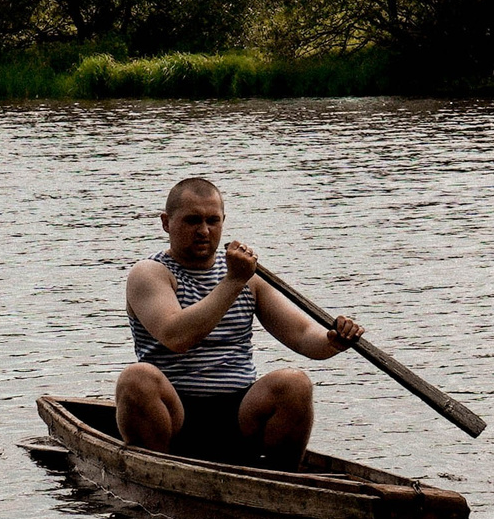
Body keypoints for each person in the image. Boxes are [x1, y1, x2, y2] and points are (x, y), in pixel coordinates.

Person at [117, 176, 364, 463]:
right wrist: (233, 281)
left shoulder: (247, 277)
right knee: (136, 379)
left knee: (295, 383)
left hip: (238, 412)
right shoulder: (150, 273)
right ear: (166, 223)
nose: (204, 231)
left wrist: (332, 340)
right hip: (173, 414)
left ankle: (280, 484)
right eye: (192, 221)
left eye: (213, 220)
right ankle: (155, 472)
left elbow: (302, 335)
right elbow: (177, 336)